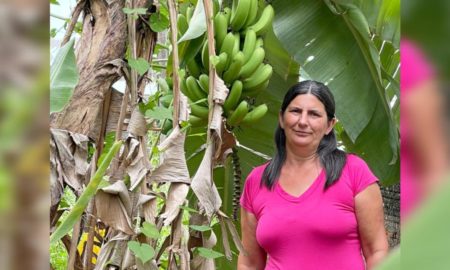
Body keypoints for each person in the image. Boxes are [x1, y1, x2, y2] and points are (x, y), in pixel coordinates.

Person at [238, 80, 388, 270]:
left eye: (314, 114)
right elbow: (249, 263)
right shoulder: (256, 181)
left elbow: (377, 251)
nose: (303, 121)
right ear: (282, 118)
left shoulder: (354, 171)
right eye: (295, 111)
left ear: (329, 125)